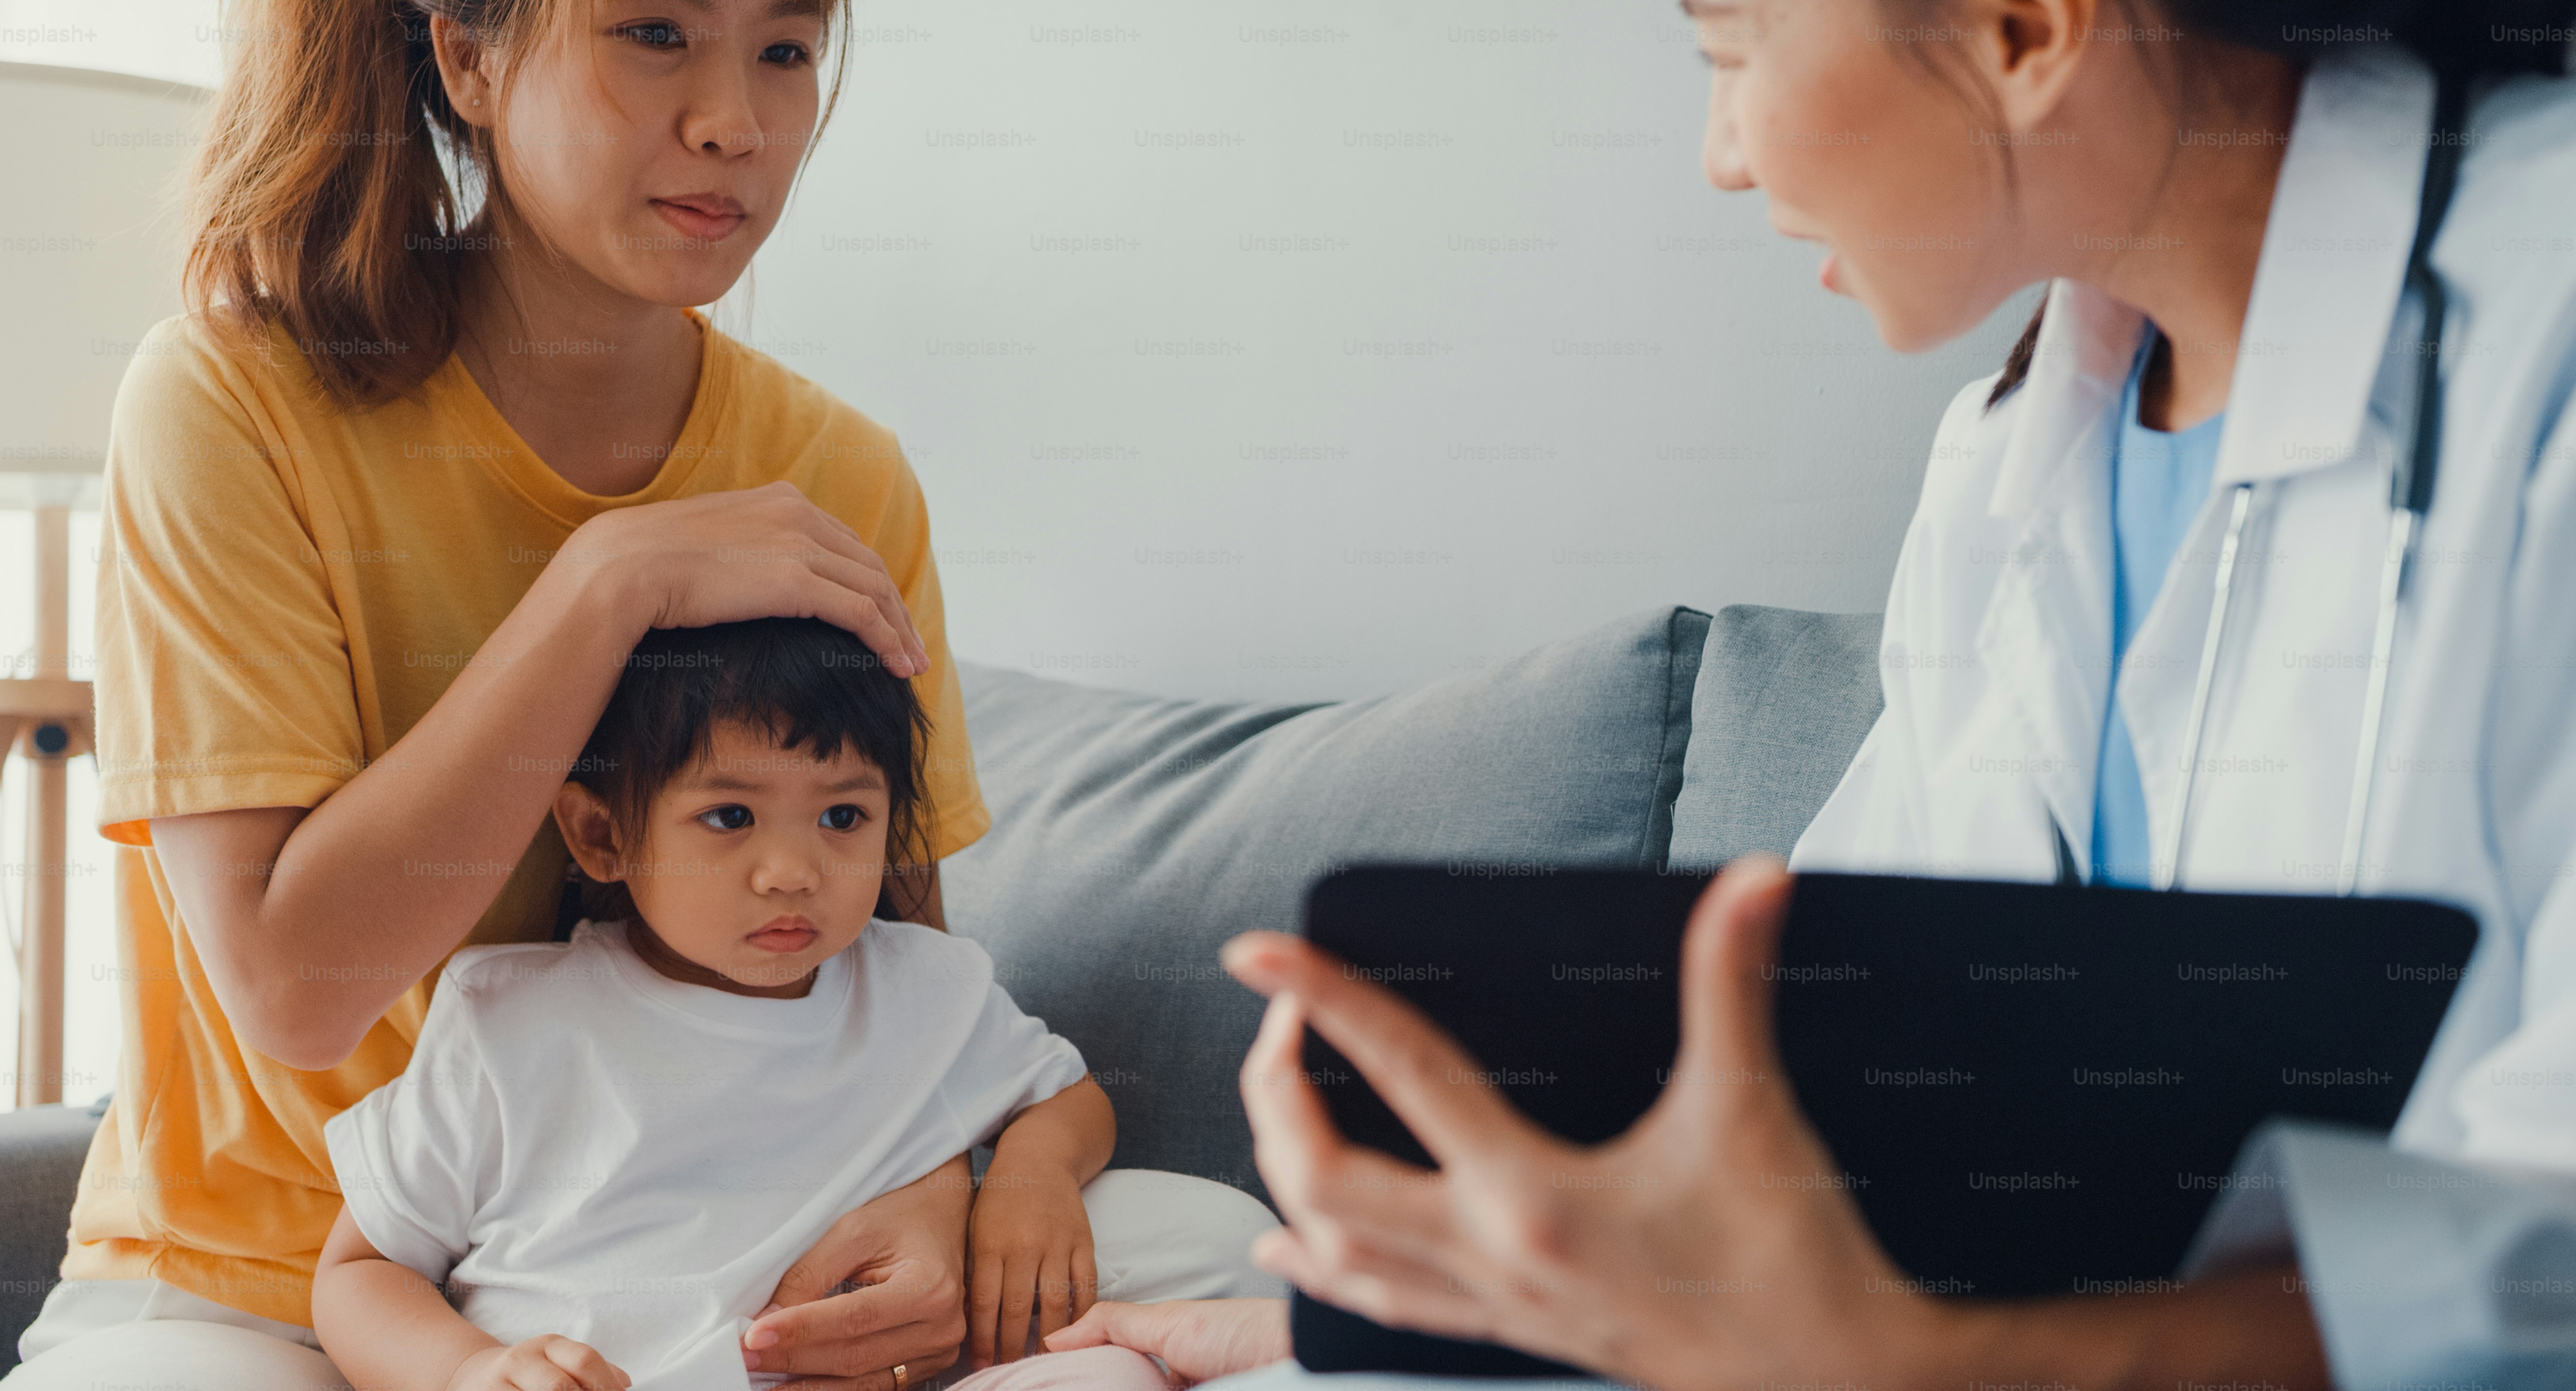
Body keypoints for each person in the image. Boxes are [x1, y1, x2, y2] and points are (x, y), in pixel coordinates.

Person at [1012, 0, 2576, 1386]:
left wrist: (1932, 1363)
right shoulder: (2014, 460)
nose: (1725, 153)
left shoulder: (2543, 329)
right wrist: (1396, 1321)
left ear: (2025, 28)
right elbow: (1827, 1078)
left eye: (1732, 44)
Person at [5, 1, 1004, 1387]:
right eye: (655, 33)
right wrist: (610, 585)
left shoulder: (843, 475)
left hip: (667, 1279)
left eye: (784, 49)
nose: (736, 121)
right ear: (468, 58)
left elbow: (899, 976)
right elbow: (301, 992)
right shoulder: (230, 400)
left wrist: (949, 1195)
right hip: (253, 1294)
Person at [312, 618, 1282, 1391]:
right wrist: (468, 1370)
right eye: (729, 818)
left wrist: (1032, 1175)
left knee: (1133, 1344)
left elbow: (1068, 1097)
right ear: (603, 835)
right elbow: (360, 1272)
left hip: (903, 1372)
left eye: (843, 817)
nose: (793, 872)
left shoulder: (922, 984)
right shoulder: (509, 1020)